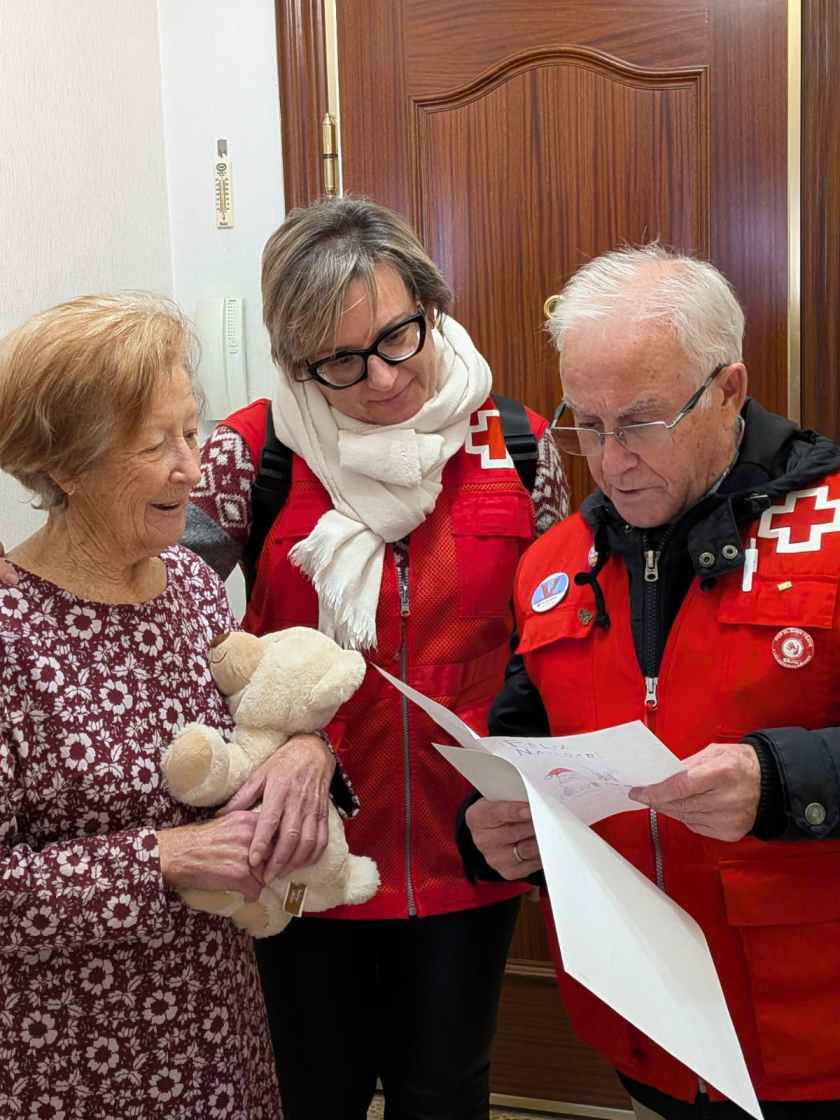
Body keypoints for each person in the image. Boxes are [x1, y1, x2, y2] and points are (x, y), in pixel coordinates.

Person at [182, 196, 570, 1120]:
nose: (385, 379)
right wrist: (273, 744)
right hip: (305, 848)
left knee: (448, 1090)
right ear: (292, 361)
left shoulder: (517, 444)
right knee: (315, 1094)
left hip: (469, 844)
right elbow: (172, 635)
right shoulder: (251, 453)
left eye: (400, 336)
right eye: (341, 362)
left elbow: (556, 641)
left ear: (431, 303)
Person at [463, 244, 840, 1120]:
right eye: (584, 425)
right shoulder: (554, 565)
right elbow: (522, 737)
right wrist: (489, 821)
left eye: (638, 422)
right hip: (648, 1038)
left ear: (729, 389)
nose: (610, 459)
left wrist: (783, 782)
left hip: (812, 1035)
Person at [0, 294, 291, 1118]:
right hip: (73, 1063)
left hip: (220, 1031)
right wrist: (164, 857)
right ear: (64, 463)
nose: (190, 467)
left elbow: (252, 732)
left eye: (191, 432)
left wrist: (304, 752)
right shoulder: (10, 630)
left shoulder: (195, 587)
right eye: (153, 444)